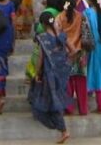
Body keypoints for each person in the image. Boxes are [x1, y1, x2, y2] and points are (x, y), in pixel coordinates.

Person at [29, 10, 71, 143]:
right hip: (62, 75)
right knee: (55, 100)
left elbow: (40, 58)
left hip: (49, 75)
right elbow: (72, 51)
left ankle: (63, 130)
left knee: (52, 102)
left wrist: (36, 73)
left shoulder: (43, 38)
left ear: (43, 24)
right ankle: (62, 130)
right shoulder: (62, 36)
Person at [55, 0, 88, 116]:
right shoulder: (81, 16)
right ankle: (83, 109)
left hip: (65, 53)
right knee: (81, 82)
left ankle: (69, 108)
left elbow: (58, 35)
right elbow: (85, 35)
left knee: (67, 82)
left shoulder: (59, 17)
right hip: (79, 52)